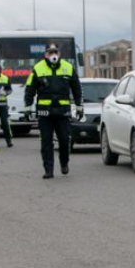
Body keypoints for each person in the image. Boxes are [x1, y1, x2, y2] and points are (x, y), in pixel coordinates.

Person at [24, 43, 83, 179]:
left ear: (59, 53)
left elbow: (77, 88)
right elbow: (29, 89)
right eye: (50, 53)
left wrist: (79, 107)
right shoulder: (38, 69)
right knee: (46, 142)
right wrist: (27, 109)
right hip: (45, 114)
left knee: (64, 140)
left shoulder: (68, 68)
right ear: (45, 54)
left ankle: (64, 163)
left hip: (63, 113)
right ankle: (48, 170)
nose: (53, 55)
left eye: (55, 52)